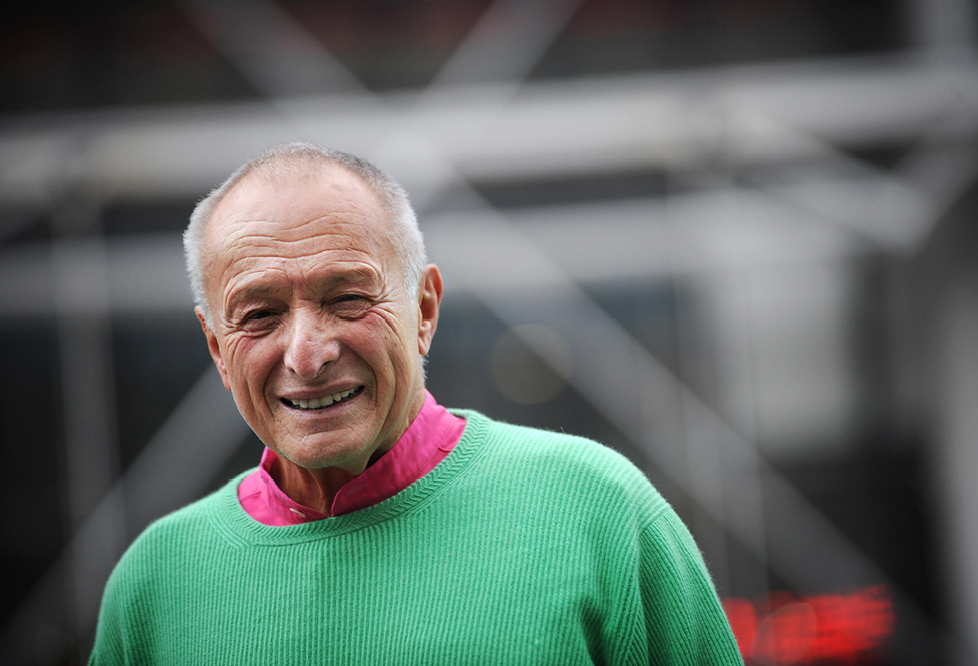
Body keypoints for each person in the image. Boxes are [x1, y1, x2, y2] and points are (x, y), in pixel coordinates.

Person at [89, 142, 742, 665]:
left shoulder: (597, 509)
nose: (306, 354)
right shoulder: (156, 585)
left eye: (346, 298)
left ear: (424, 309)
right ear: (215, 348)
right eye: (259, 315)